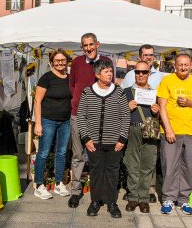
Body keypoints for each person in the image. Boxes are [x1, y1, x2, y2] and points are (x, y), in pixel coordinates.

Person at [157, 53, 192, 215]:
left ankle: (184, 199)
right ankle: (168, 198)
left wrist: (189, 103)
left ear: (191, 65)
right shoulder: (167, 81)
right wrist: (168, 129)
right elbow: (162, 106)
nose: (183, 67)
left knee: (188, 166)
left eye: (186, 65)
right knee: (170, 166)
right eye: (180, 64)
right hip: (172, 131)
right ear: (175, 65)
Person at [77, 59, 130, 218]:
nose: (110, 74)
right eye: (106, 71)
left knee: (112, 172)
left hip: (114, 142)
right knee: (96, 172)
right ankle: (95, 202)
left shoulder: (118, 91)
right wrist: (86, 138)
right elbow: (81, 116)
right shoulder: (87, 91)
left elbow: (125, 116)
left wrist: (122, 138)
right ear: (98, 74)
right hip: (93, 142)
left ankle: (112, 203)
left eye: (111, 71)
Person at [68, 32, 114, 208]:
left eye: (91, 44)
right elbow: (72, 84)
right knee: (78, 154)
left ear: (97, 44)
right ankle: (75, 191)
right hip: (78, 114)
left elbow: (109, 85)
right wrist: (78, 100)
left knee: (98, 154)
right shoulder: (77, 62)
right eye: (85, 45)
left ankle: (99, 192)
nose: (88, 48)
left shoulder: (107, 62)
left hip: (98, 116)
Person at [121, 44, 165, 203]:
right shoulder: (126, 92)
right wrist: (126, 108)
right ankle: (133, 197)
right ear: (134, 74)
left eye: (144, 72)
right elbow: (118, 114)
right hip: (132, 129)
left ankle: (144, 198)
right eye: (137, 72)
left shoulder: (155, 93)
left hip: (150, 128)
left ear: (148, 73)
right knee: (132, 165)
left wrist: (157, 110)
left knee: (147, 164)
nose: (140, 75)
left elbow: (163, 113)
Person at [33, 49, 72, 200]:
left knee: (61, 152)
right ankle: (38, 185)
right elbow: (37, 101)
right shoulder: (46, 78)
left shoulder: (69, 78)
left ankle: (58, 183)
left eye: (63, 60)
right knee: (43, 152)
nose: (60, 63)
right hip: (48, 120)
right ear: (52, 62)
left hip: (66, 121)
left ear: (67, 61)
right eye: (57, 60)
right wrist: (38, 123)